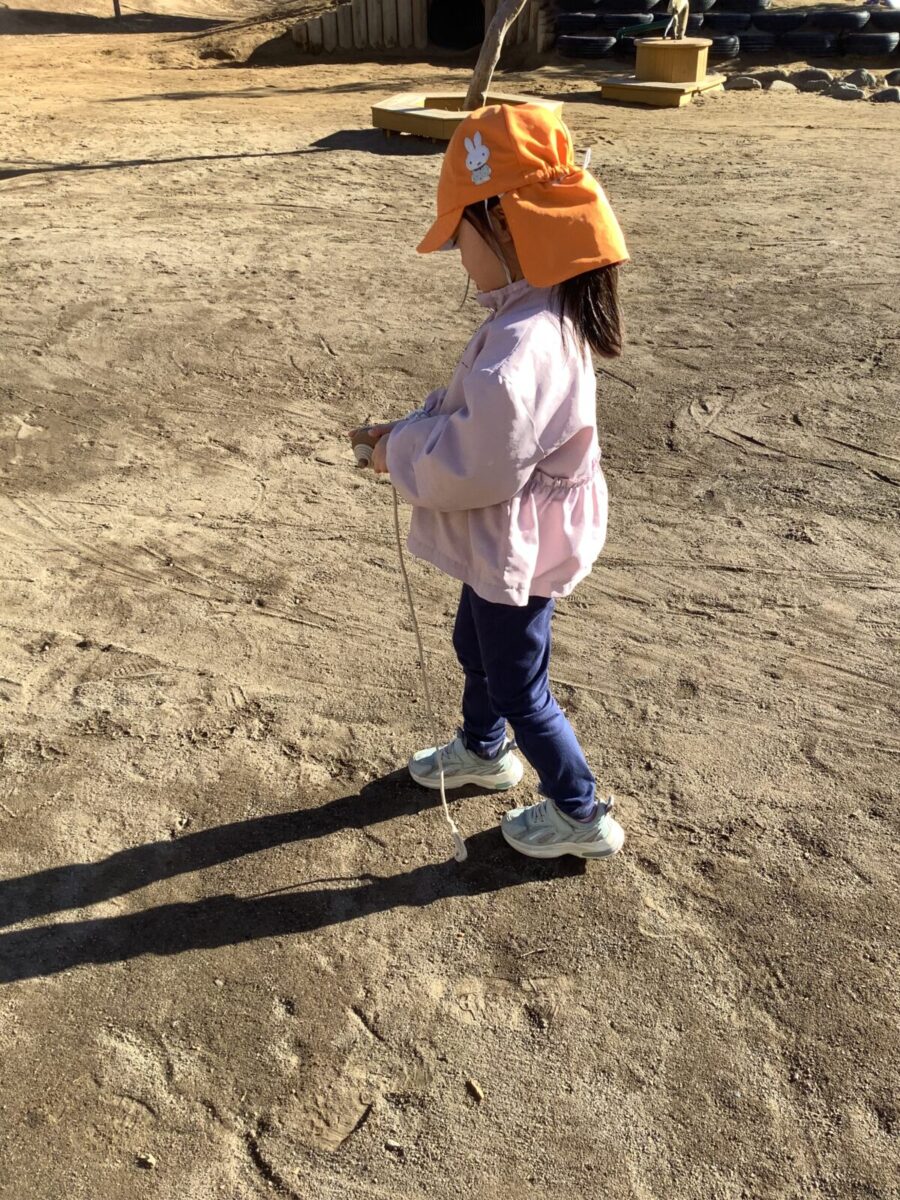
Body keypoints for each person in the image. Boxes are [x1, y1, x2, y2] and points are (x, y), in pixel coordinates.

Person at [350, 104, 629, 860]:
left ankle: (581, 812)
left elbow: (475, 462)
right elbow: (477, 420)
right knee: (473, 641)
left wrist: (396, 454)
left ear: (505, 222)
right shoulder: (533, 309)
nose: (457, 254)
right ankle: (483, 748)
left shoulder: (524, 344)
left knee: (519, 685)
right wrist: (406, 428)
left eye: (460, 235)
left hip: (519, 541)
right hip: (511, 532)